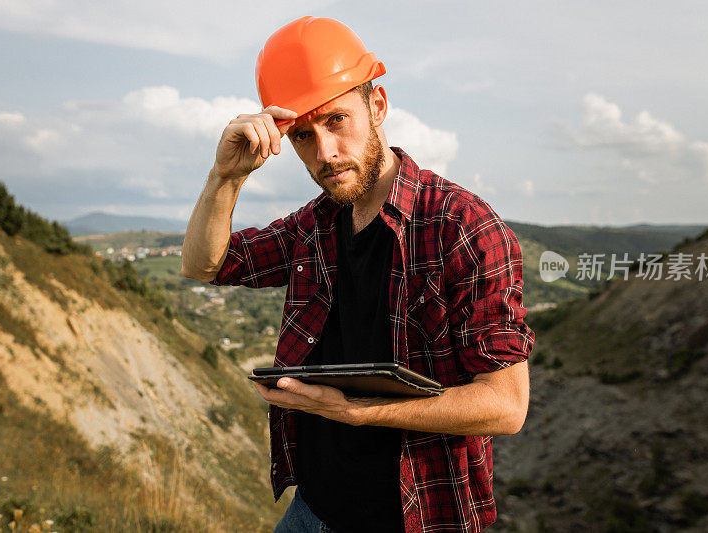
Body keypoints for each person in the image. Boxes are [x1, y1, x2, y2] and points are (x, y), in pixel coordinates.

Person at [181, 16, 534, 533]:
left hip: (418, 518)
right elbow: (204, 264)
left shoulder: (463, 227)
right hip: (312, 510)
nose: (324, 153)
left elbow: (505, 406)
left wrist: (360, 411)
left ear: (378, 105)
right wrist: (225, 176)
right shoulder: (317, 222)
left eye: (336, 122)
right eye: (302, 135)